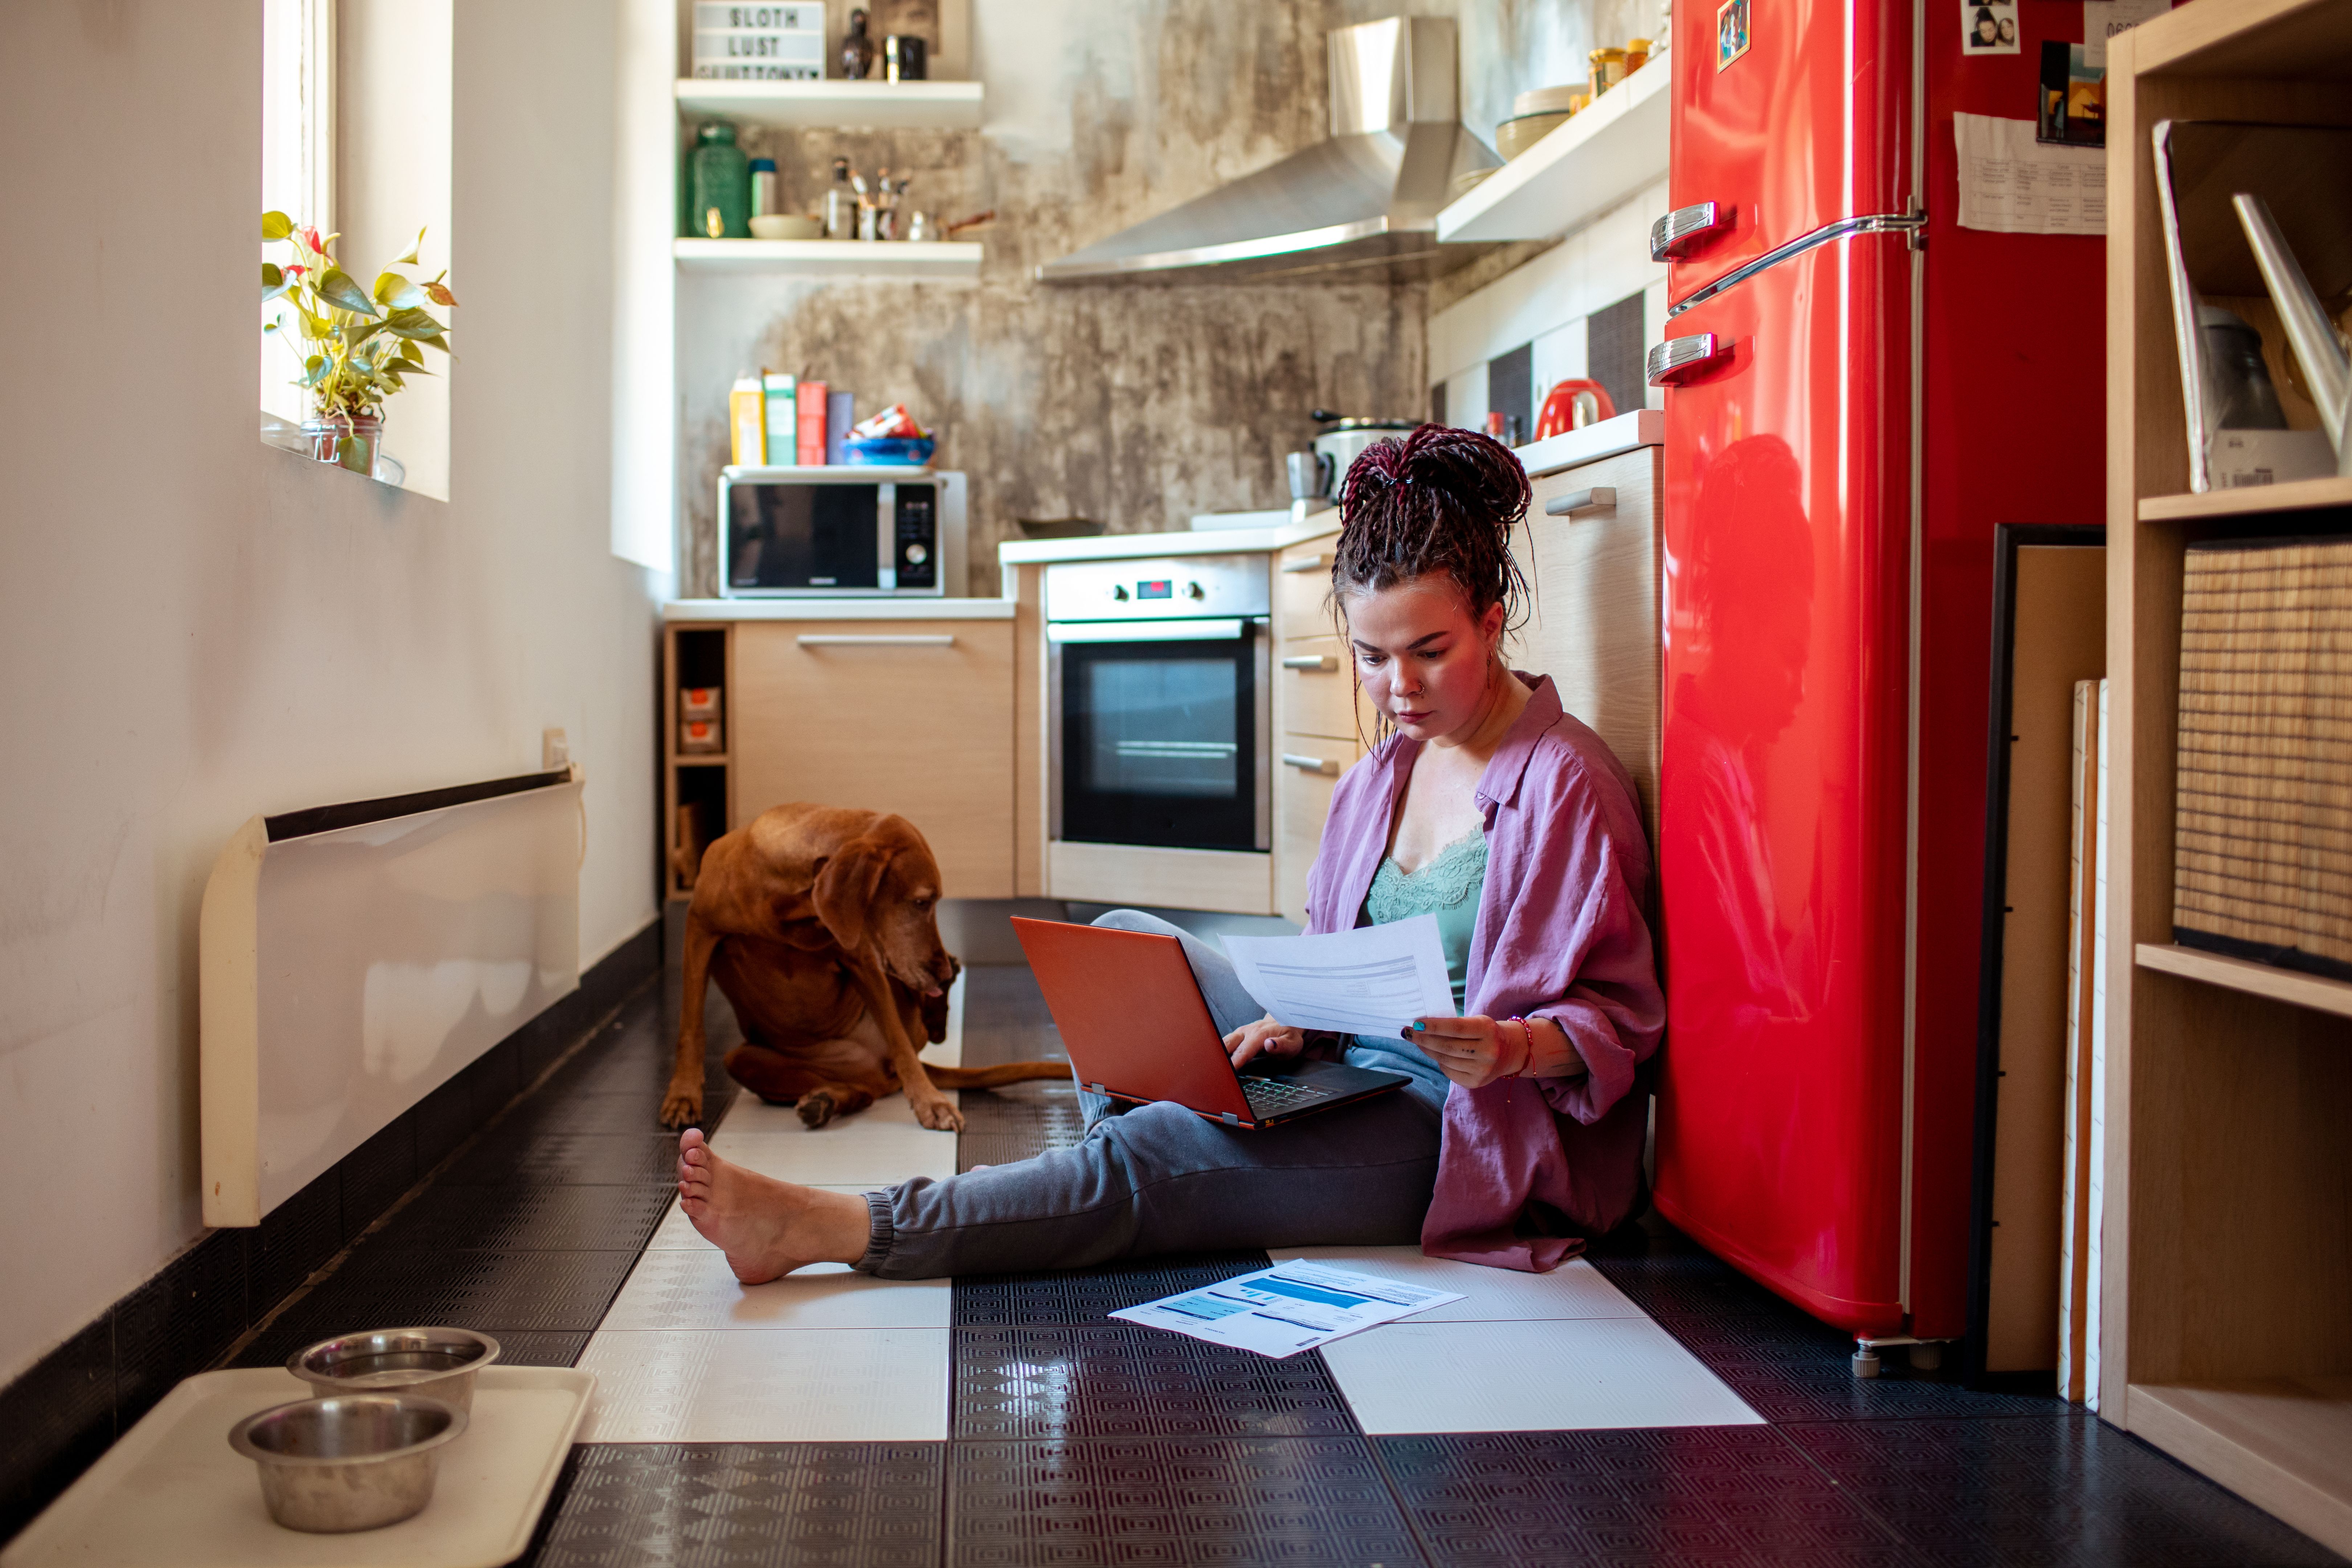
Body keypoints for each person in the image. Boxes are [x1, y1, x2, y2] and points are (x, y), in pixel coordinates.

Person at [675, 424, 1665, 1282]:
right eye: (1372, 656)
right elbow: (1332, 958)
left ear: (1492, 624)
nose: (1396, 688)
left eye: (1430, 651)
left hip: (1453, 1118)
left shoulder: (1564, 783)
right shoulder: (1384, 774)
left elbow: (1622, 1021)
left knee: (1152, 1153)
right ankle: (1158, 1178)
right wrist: (1289, 1017)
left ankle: (840, 1225)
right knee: (1124, 945)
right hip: (1342, 1059)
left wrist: (1513, 1047)